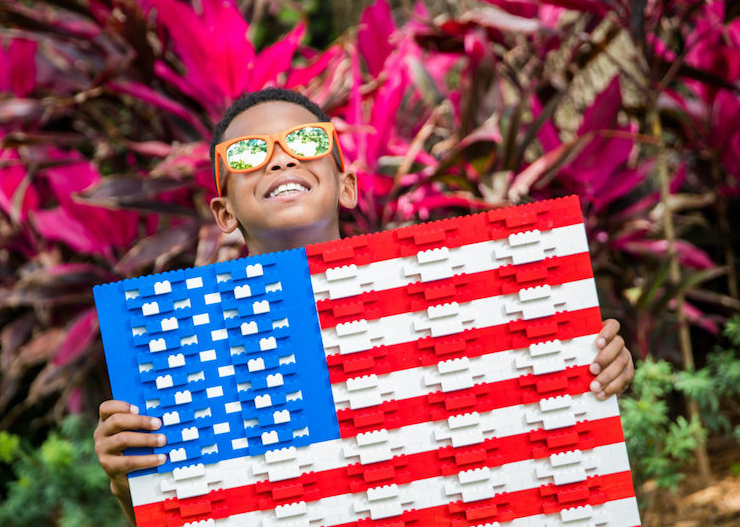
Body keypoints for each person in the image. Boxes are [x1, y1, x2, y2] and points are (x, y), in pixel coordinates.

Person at [94, 88, 635, 524]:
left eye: (305, 141)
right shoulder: (187, 352)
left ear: (347, 186)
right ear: (223, 212)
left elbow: (537, 451)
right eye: (248, 153)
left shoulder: (454, 291)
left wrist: (593, 368)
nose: (280, 157)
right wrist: (131, 485)